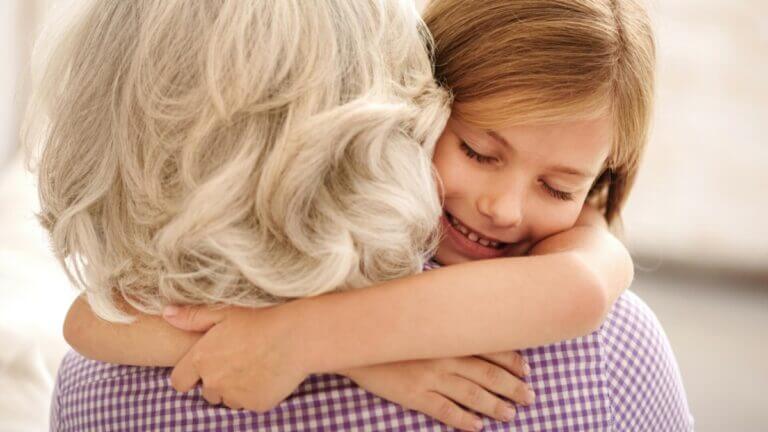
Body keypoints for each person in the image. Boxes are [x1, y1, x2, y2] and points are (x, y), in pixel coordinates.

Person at [37, 0, 693, 431]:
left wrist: (298, 342)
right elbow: (87, 321)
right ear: (417, 103)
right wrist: (355, 358)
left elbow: (577, 290)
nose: (502, 207)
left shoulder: (577, 262)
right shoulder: (334, 246)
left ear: (599, 186)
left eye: (557, 187)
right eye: (478, 151)